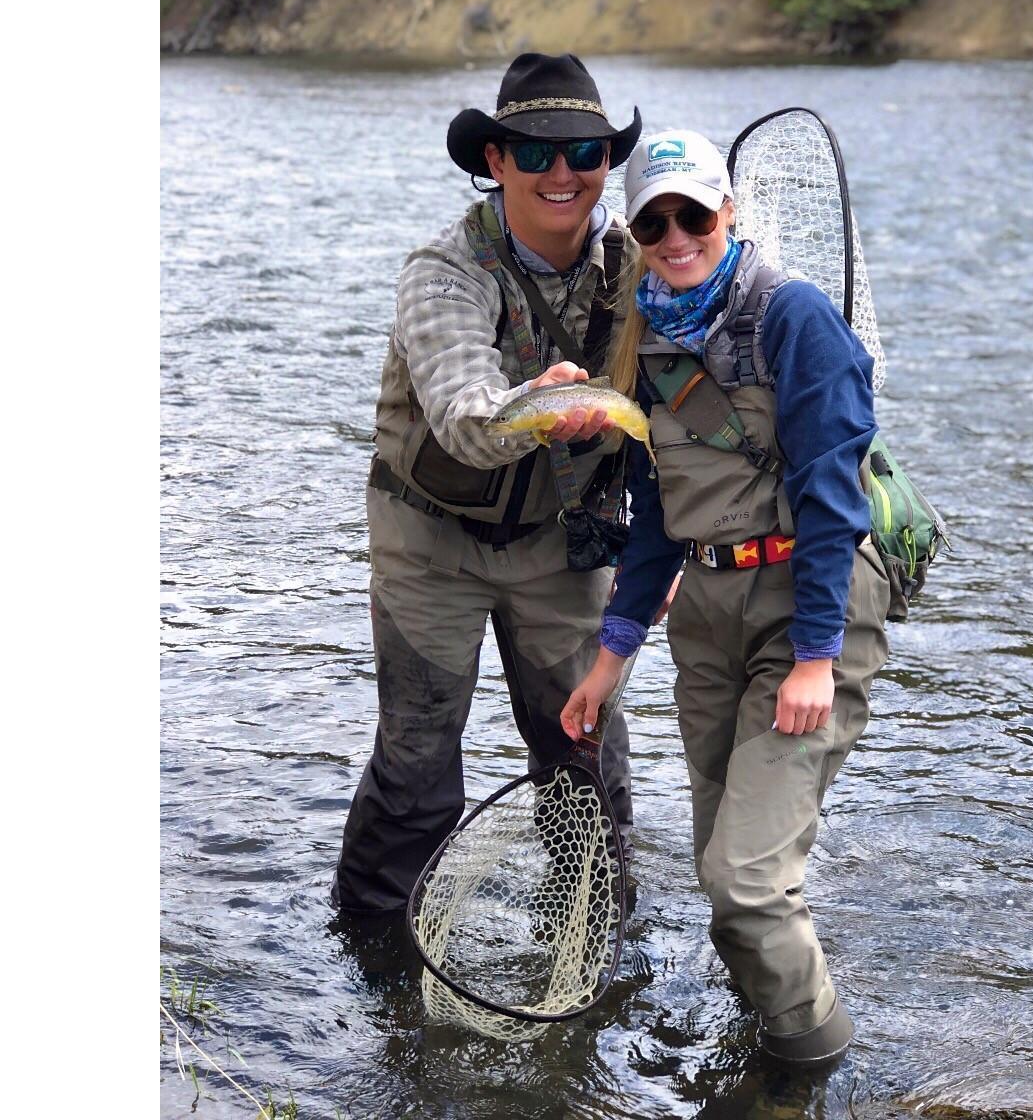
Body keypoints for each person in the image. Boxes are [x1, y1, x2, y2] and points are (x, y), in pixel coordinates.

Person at [561, 129, 891, 1067]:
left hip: (808, 600)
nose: (675, 236)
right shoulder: (647, 331)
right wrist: (609, 658)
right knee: (723, 878)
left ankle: (811, 1068)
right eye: (654, 220)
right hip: (706, 611)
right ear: (633, 229)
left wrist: (818, 658)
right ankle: (774, 1034)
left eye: (693, 215)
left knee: (746, 885)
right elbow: (657, 515)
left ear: (727, 214)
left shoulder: (792, 319)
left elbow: (834, 496)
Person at [332, 53, 647, 914]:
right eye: (534, 151)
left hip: (561, 541)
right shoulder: (442, 272)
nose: (561, 173)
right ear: (495, 160)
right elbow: (467, 417)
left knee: (584, 758)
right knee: (418, 766)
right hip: (430, 540)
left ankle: (593, 943)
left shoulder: (644, 265)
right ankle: (376, 960)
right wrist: (537, 406)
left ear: (607, 163)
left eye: (584, 152)